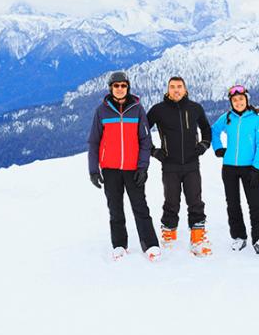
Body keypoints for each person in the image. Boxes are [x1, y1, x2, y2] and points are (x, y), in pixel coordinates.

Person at [87, 72, 161, 262]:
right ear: (111, 88)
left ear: (128, 88)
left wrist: (143, 167)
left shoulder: (137, 110)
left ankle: (150, 244)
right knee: (115, 208)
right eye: (116, 85)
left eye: (123, 85)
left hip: (133, 168)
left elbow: (145, 140)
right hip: (110, 169)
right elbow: (94, 142)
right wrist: (94, 170)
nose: (120, 88)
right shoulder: (101, 111)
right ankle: (119, 245)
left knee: (140, 207)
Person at [147, 76, 213, 256]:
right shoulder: (158, 110)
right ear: (168, 90)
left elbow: (206, 129)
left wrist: (203, 145)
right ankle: (169, 236)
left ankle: (198, 238)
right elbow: (142, 132)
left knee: (195, 201)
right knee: (171, 201)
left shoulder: (195, 108)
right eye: (172, 87)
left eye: (179, 87)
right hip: (170, 165)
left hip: (192, 164)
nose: (176, 90)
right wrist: (155, 151)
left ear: (185, 89)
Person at [211, 85, 259, 254]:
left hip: (249, 168)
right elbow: (214, 130)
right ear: (231, 102)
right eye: (235, 100)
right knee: (233, 204)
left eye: (241, 99)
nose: (238, 102)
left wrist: (256, 167)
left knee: (255, 204)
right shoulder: (227, 117)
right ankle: (238, 237)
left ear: (246, 100)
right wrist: (218, 148)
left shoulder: (257, 120)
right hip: (229, 168)